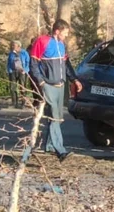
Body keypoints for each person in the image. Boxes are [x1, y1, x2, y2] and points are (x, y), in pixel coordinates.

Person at [30, 20, 82, 161]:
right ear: (57, 31)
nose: (66, 35)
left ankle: (49, 146)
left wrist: (74, 80)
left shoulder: (61, 44)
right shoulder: (42, 41)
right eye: (65, 32)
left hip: (60, 85)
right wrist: (41, 82)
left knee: (57, 118)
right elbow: (33, 63)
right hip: (48, 85)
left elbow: (66, 64)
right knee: (54, 116)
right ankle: (61, 151)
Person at [7, 40, 30, 109]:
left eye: (14, 45)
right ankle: (14, 102)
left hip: (22, 71)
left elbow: (28, 62)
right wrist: (9, 70)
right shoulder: (11, 53)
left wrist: (25, 70)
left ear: (18, 46)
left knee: (22, 87)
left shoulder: (24, 53)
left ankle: (23, 102)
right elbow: (9, 62)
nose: (12, 46)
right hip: (13, 71)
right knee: (13, 87)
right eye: (12, 45)